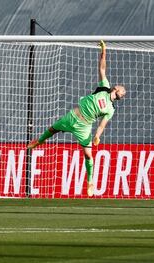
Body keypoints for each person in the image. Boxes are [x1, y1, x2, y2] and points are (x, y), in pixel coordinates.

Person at [27, 41, 126, 197]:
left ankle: (90, 181)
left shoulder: (111, 109)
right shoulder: (104, 87)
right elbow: (102, 68)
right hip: (74, 115)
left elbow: (102, 125)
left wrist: (97, 136)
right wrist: (104, 51)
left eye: (124, 93)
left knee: (88, 155)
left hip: (85, 127)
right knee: (53, 129)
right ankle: (39, 141)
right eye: (123, 90)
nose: (124, 92)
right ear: (116, 88)